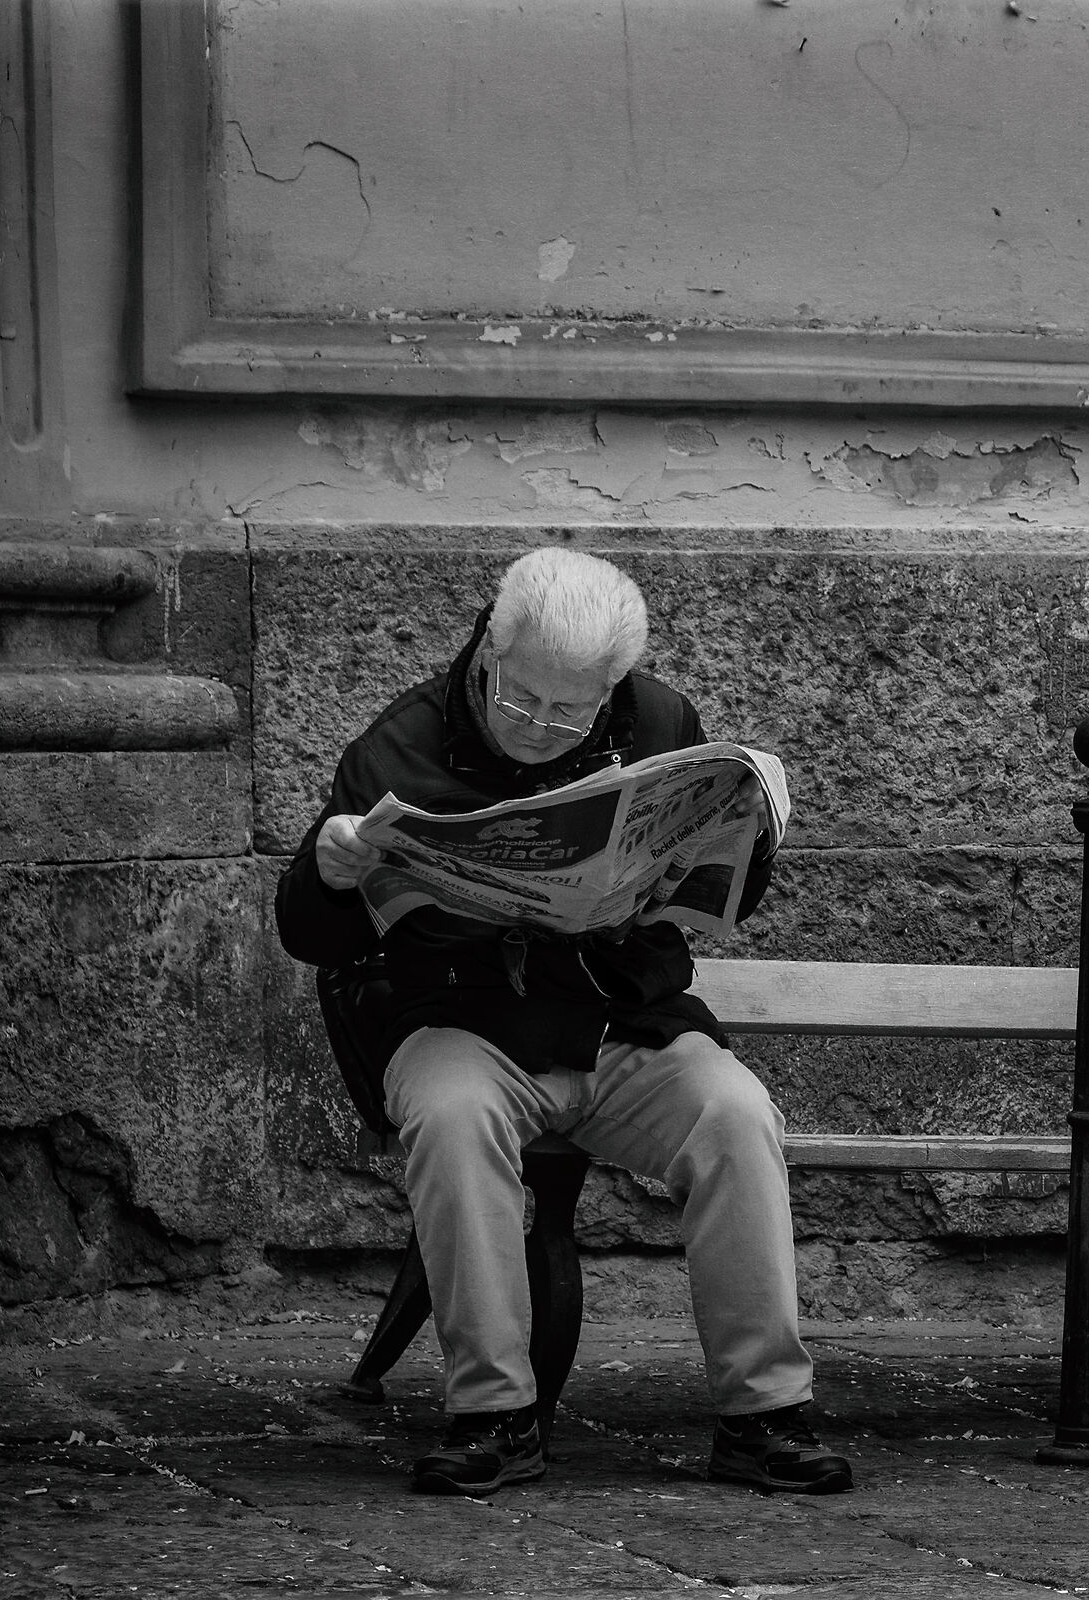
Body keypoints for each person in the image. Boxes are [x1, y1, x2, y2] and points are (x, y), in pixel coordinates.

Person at [275, 548, 851, 1499]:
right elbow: (310, 935)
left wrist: (728, 848)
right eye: (521, 699)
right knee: (454, 1121)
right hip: (465, 1022)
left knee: (737, 1116)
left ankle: (765, 1417)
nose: (540, 727)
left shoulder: (661, 720)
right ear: (488, 652)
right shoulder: (397, 748)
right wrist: (331, 871)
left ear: (611, 686)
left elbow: (718, 890)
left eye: (571, 709)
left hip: (626, 1023)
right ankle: (494, 1417)